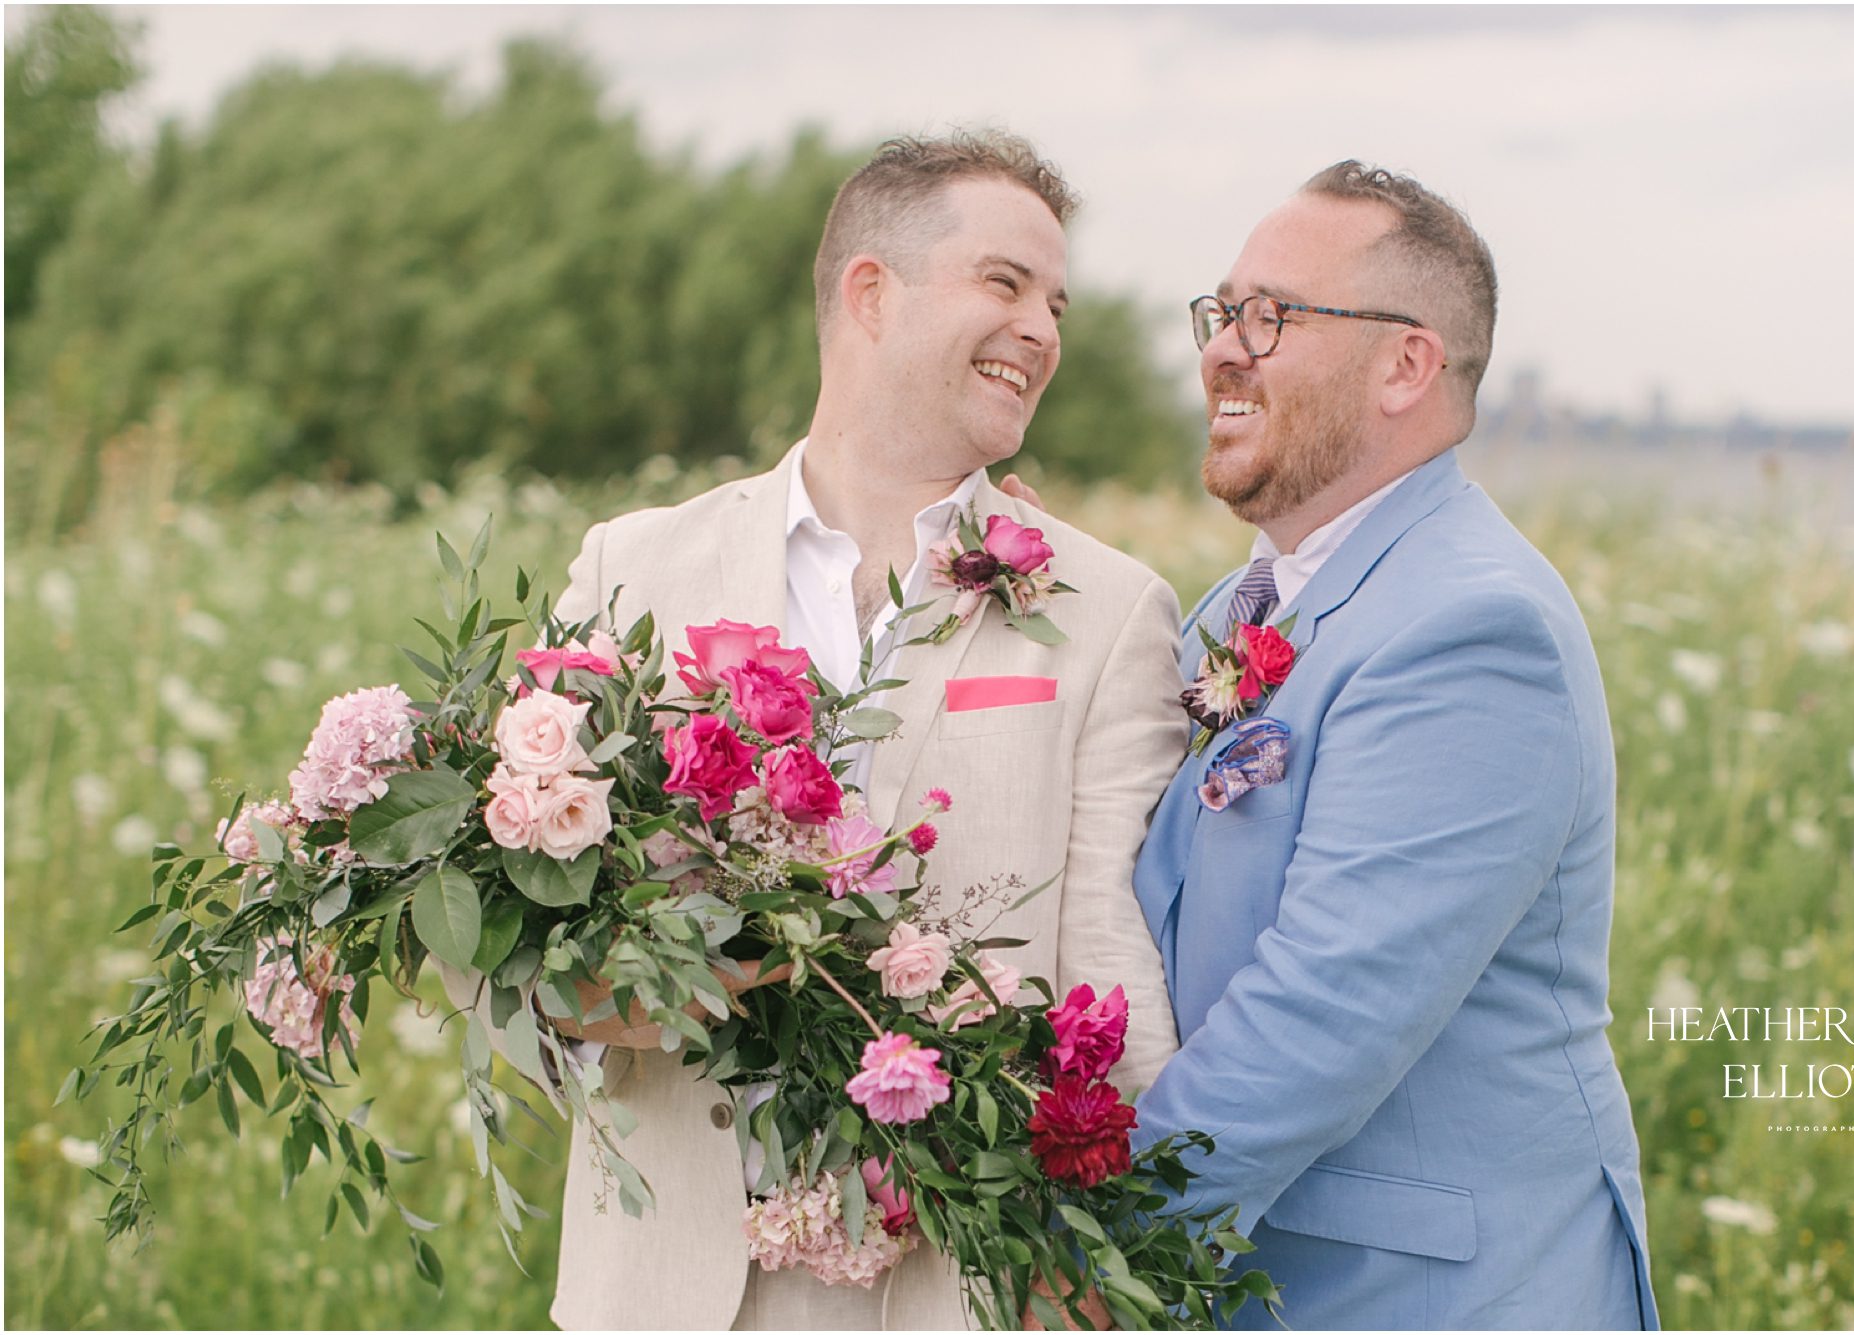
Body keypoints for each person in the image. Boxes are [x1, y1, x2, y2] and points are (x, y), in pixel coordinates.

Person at [446, 131, 1186, 1331]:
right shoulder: (629, 567)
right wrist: (596, 999)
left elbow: (1110, 964)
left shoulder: (1105, 611)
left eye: (1056, 303)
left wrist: (1108, 1260)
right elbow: (509, 913)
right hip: (666, 1289)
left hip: (960, 1289)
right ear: (869, 292)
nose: (1043, 331)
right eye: (1003, 284)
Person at [1127, 162, 1659, 1329]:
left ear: (1405, 366)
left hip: (1422, 1293)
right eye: (1219, 314)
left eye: (1268, 316)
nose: (1222, 349)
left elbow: (1322, 1012)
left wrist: (1079, 1243)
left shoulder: (1471, 627)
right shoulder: (1234, 610)